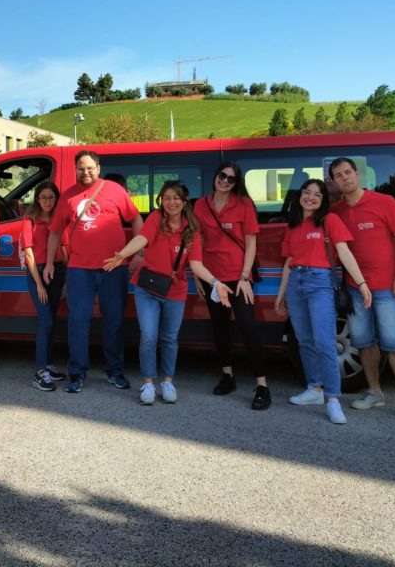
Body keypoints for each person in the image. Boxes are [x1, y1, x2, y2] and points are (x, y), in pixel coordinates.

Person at [103, 181, 230, 405]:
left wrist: (215, 281)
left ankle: (168, 381)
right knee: (149, 336)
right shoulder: (155, 219)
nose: (171, 202)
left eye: (176, 198)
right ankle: (149, 383)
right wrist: (122, 255)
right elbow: (142, 238)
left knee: (170, 338)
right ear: (161, 200)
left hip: (175, 289)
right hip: (147, 288)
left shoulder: (191, 229)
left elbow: (197, 264)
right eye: (167, 198)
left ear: (184, 202)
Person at [329, 157, 395, 423]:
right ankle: (374, 392)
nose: (344, 178)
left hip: (388, 287)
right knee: (364, 343)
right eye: (338, 175)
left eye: (348, 172)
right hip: (355, 290)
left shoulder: (384, 203)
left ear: (358, 174)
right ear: (334, 182)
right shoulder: (335, 211)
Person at [44, 150, 143, 393]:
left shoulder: (114, 190)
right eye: (80, 168)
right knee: (78, 323)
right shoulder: (68, 197)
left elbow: (137, 219)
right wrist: (48, 262)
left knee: (114, 321)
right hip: (80, 269)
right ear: (75, 169)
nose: (85, 172)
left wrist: (139, 253)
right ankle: (77, 373)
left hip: (114, 267)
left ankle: (115, 370)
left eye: (89, 168)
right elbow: (55, 232)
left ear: (98, 168)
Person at [275, 179, 372, 425]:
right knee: (304, 341)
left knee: (325, 342)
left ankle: (333, 400)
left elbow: (344, 253)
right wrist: (281, 294)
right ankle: (314, 389)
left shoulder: (330, 220)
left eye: (317, 194)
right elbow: (288, 262)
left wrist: (361, 283)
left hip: (320, 282)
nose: (311, 197)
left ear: (323, 200)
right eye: (306, 192)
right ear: (300, 196)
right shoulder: (293, 225)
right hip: (296, 283)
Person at [193, 161, 271, 410]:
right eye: (222, 175)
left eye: (231, 179)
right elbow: (197, 240)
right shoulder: (200, 204)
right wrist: (198, 275)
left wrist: (245, 277)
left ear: (237, 184)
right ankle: (227, 376)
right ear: (215, 176)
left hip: (238, 279)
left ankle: (262, 386)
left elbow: (251, 243)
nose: (224, 181)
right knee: (220, 327)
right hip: (212, 278)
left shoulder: (243, 204)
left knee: (248, 327)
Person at [21, 181, 68, 391]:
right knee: (46, 321)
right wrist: (39, 284)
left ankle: (47, 365)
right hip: (37, 273)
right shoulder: (30, 220)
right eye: (43, 197)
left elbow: (64, 248)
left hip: (57, 272)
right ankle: (40, 372)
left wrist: (65, 278)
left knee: (52, 322)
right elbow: (29, 254)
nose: (47, 201)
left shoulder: (59, 219)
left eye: (51, 197)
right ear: (37, 199)